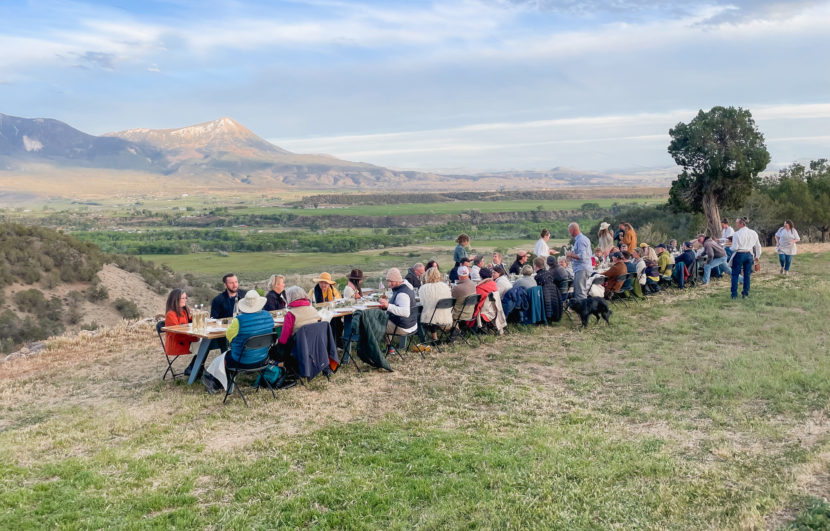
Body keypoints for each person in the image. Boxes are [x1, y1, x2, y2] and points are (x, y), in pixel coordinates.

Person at [224, 290, 274, 370]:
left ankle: (224, 381)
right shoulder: (268, 316)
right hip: (262, 358)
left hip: (241, 361)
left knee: (224, 357)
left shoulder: (238, 320)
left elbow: (228, 337)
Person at [378, 268, 418, 354]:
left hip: (404, 326)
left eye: (391, 281)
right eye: (388, 281)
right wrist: (387, 307)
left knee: (377, 323)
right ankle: (390, 348)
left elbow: (405, 312)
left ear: (397, 280)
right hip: (412, 324)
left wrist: (388, 306)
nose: (389, 284)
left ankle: (373, 351)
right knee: (386, 319)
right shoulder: (407, 286)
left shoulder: (402, 294)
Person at [729, 217, 762, 299]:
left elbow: (735, 247)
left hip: (740, 253)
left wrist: (729, 247)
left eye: (737, 223)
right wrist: (757, 256)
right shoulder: (753, 233)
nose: (736, 224)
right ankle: (745, 293)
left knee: (735, 274)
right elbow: (758, 246)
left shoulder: (736, 234)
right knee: (747, 275)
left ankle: (734, 294)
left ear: (741, 224)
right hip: (749, 254)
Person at [419, 266, 453, 343]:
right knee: (433, 311)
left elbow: (422, 303)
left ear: (427, 276)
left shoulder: (424, 288)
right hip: (446, 316)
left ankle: (434, 338)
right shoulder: (445, 286)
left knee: (428, 312)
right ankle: (450, 331)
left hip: (430, 318)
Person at [164, 288, 198, 356]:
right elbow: (176, 335)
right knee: (202, 345)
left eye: (185, 298)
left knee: (205, 344)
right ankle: (197, 365)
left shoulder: (185, 310)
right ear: (176, 300)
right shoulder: (171, 315)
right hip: (177, 346)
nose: (185, 300)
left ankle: (198, 365)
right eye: (183, 298)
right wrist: (194, 338)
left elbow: (188, 320)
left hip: (187, 341)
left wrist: (198, 317)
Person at [566, 222, 593, 300]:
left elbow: (582, 257)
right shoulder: (583, 239)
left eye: (569, 231)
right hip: (582, 268)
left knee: (580, 292)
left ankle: (583, 310)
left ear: (572, 230)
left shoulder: (581, 240)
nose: (569, 233)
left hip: (582, 269)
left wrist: (570, 254)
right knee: (580, 290)